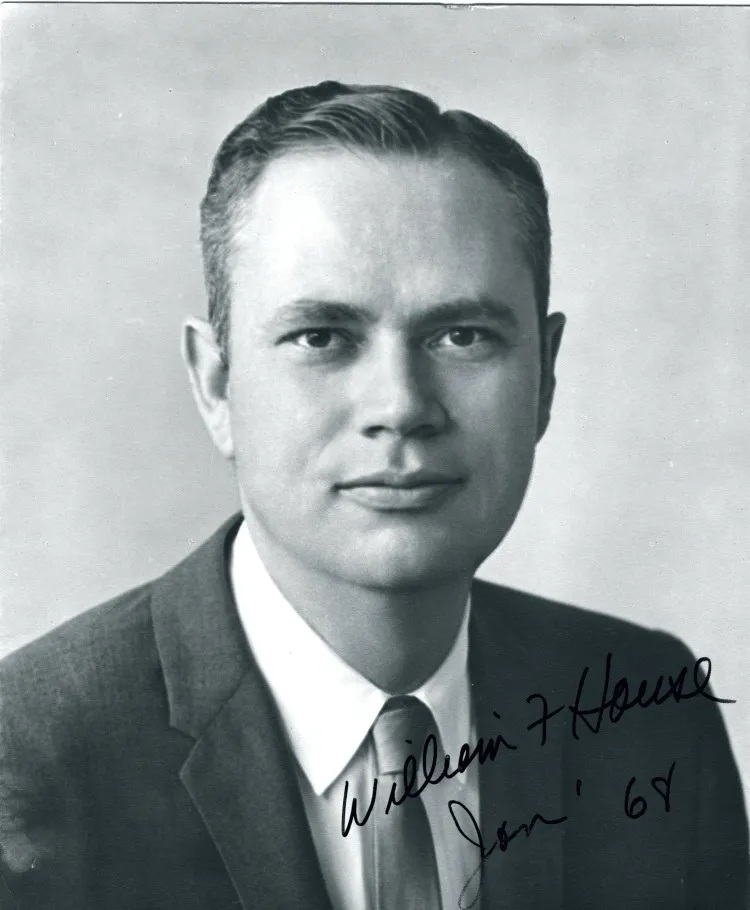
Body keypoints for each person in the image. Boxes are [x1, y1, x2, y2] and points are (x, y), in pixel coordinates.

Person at [0, 81, 747, 910]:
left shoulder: (648, 708)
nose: (400, 405)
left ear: (545, 374)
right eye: (321, 337)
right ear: (216, 384)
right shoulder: (26, 752)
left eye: (462, 336)